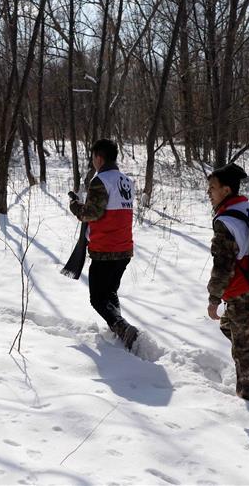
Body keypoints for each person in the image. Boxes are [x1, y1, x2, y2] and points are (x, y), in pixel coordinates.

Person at [206, 162, 249, 402]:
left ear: (226, 190)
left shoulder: (226, 221)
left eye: (212, 188)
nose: (209, 193)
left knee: (243, 350)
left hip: (243, 293)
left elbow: (222, 266)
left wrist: (214, 298)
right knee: (229, 327)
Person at [69, 139, 138, 349]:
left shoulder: (101, 180)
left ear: (99, 157)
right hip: (124, 248)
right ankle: (119, 330)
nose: (93, 162)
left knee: (97, 298)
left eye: (93, 158)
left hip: (105, 249)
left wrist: (75, 206)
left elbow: (91, 213)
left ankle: (122, 327)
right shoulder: (126, 181)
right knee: (110, 293)